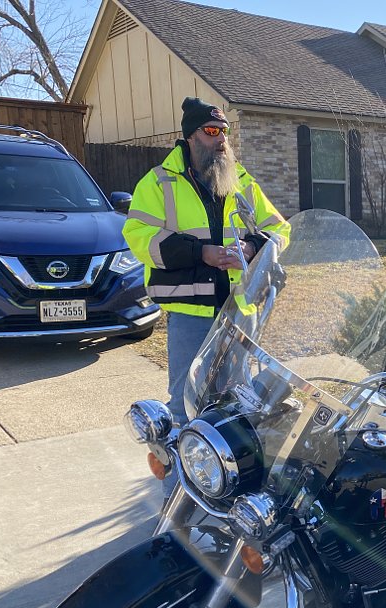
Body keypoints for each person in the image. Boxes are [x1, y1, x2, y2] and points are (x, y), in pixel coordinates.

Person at [123, 96, 288, 497]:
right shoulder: (159, 182)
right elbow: (139, 238)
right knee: (184, 405)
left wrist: (251, 248)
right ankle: (176, 503)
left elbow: (280, 230)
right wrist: (202, 253)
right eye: (212, 132)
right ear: (191, 137)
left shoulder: (241, 179)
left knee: (235, 405)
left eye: (225, 134)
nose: (221, 142)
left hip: (239, 311)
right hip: (190, 312)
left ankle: (225, 495)